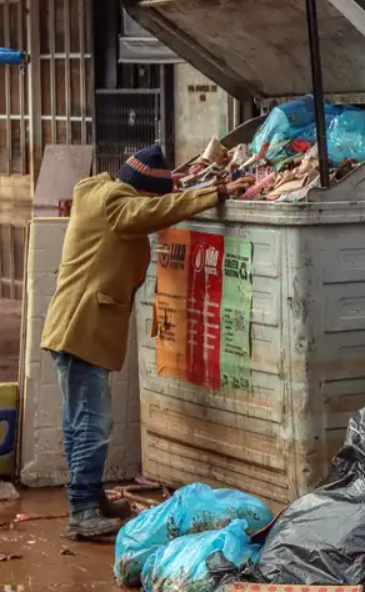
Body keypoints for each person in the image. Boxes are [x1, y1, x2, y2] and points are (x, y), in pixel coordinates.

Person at [41, 145, 253, 540]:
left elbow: (147, 209)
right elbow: (149, 214)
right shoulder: (117, 205)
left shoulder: (99, 192)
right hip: (83, 327)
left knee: (78, 421)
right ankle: (83, 511)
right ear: (143, 191)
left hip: (71, 325)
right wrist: (214, 194)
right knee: (92, 423)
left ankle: (88, 498)